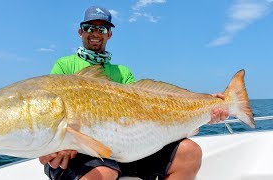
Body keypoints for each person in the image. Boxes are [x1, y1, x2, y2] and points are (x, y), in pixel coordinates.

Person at [39, 6, 229, 180]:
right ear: (80, 32)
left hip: (126, 149)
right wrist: (57, 147)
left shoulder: (123, 72)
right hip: (84, 151)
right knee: (104, 173)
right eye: (89, 28)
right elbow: (52, 113)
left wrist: (206, 105)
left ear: (109, 34)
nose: (95, 33)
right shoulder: (64, 65)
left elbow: (146, 107)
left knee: (189, 152)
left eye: (102, 29)